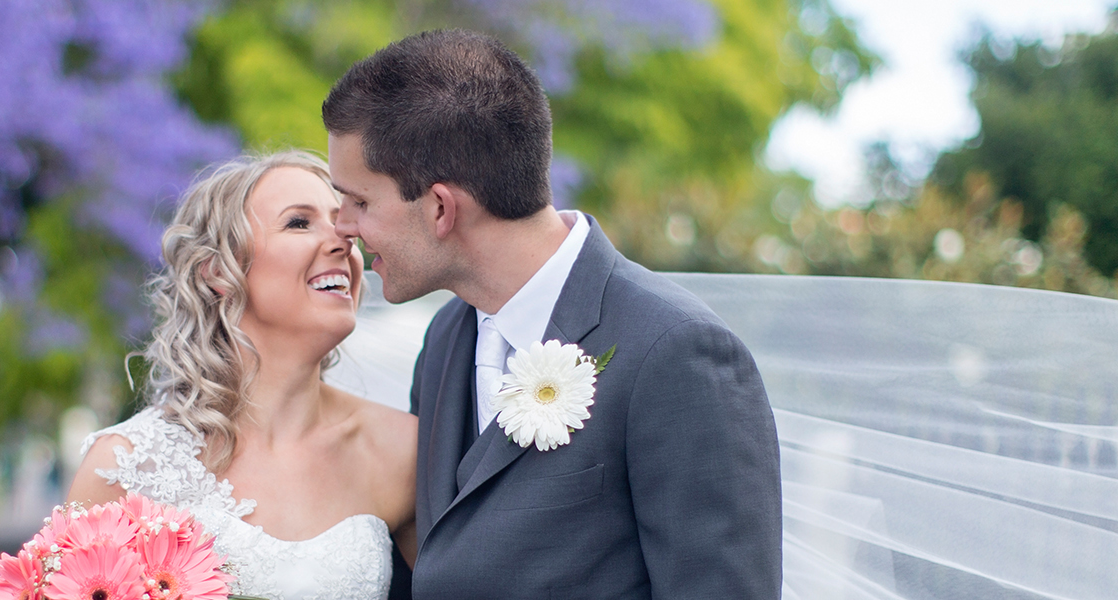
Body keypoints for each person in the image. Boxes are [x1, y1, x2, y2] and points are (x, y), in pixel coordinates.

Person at [323, 29, 783, 599]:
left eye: (359, 201)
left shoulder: (677, 352)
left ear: (441, 207)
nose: (341, 225)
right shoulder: (445, 336)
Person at [67, 151, 416, 600]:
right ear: (218, 272)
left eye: (342, 220)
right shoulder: (124, 468)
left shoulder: (402, 450)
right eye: (298, 223)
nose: (343, 239)